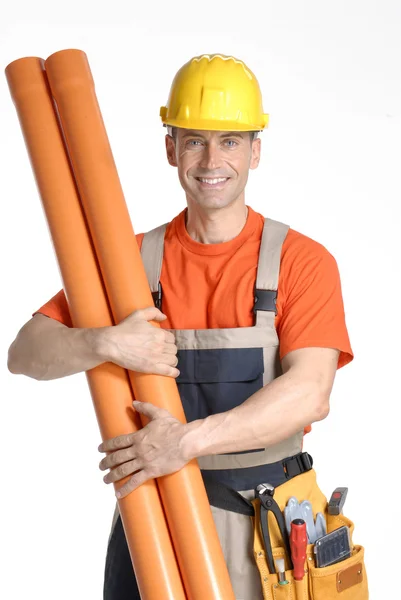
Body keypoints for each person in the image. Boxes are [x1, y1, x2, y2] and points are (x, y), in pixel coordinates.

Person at [7, 54, 358, 600]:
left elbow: (309, 393)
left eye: (230, 141)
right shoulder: (129, 264)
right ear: (170, 148)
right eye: (194, 140)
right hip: (153, 524)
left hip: (265, 530)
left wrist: (183, 443)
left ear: (256, 151)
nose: (212, 159)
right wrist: (101, 340)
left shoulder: (300, 261)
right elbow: (24, 353)